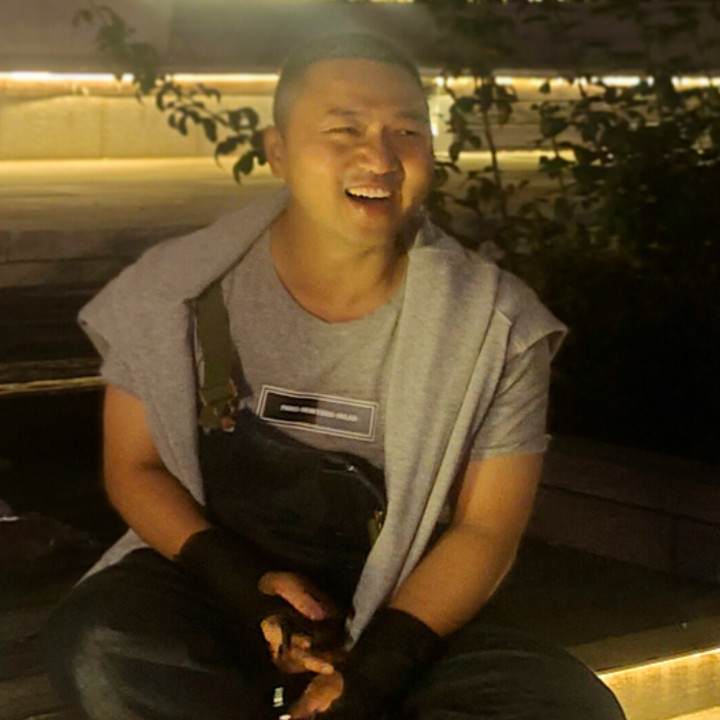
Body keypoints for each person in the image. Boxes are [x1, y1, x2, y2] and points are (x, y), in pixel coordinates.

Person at [44, 33, 625, 720]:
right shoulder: (173, 291)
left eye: (406, 130)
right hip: (221, 584)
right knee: (103, 646)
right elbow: (134, 466)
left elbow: (483, 531)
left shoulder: (496, 326)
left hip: (403, 599)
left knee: (567, 705)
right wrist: (246, 585)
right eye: (344, 129)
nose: (380, 158)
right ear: (278, 151)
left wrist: (375, 671)